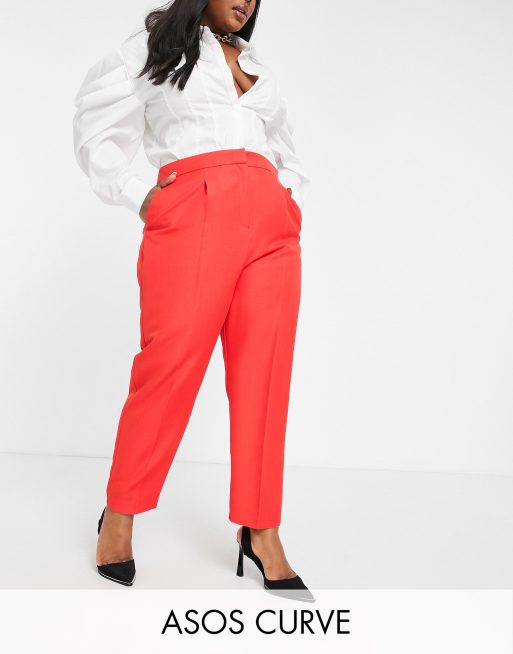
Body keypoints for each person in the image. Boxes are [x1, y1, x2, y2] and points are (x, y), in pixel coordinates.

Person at [72, 0, 313, 601]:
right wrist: (144, 197)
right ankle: (121, 512)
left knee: (264, 377)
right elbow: (95, 127)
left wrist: (288, 200)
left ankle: (261, 529)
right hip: (194, 211)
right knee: (169, 366)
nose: (246, 0)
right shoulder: (157, 47)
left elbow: (285, 146)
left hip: (271, 227)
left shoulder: (255, 66)